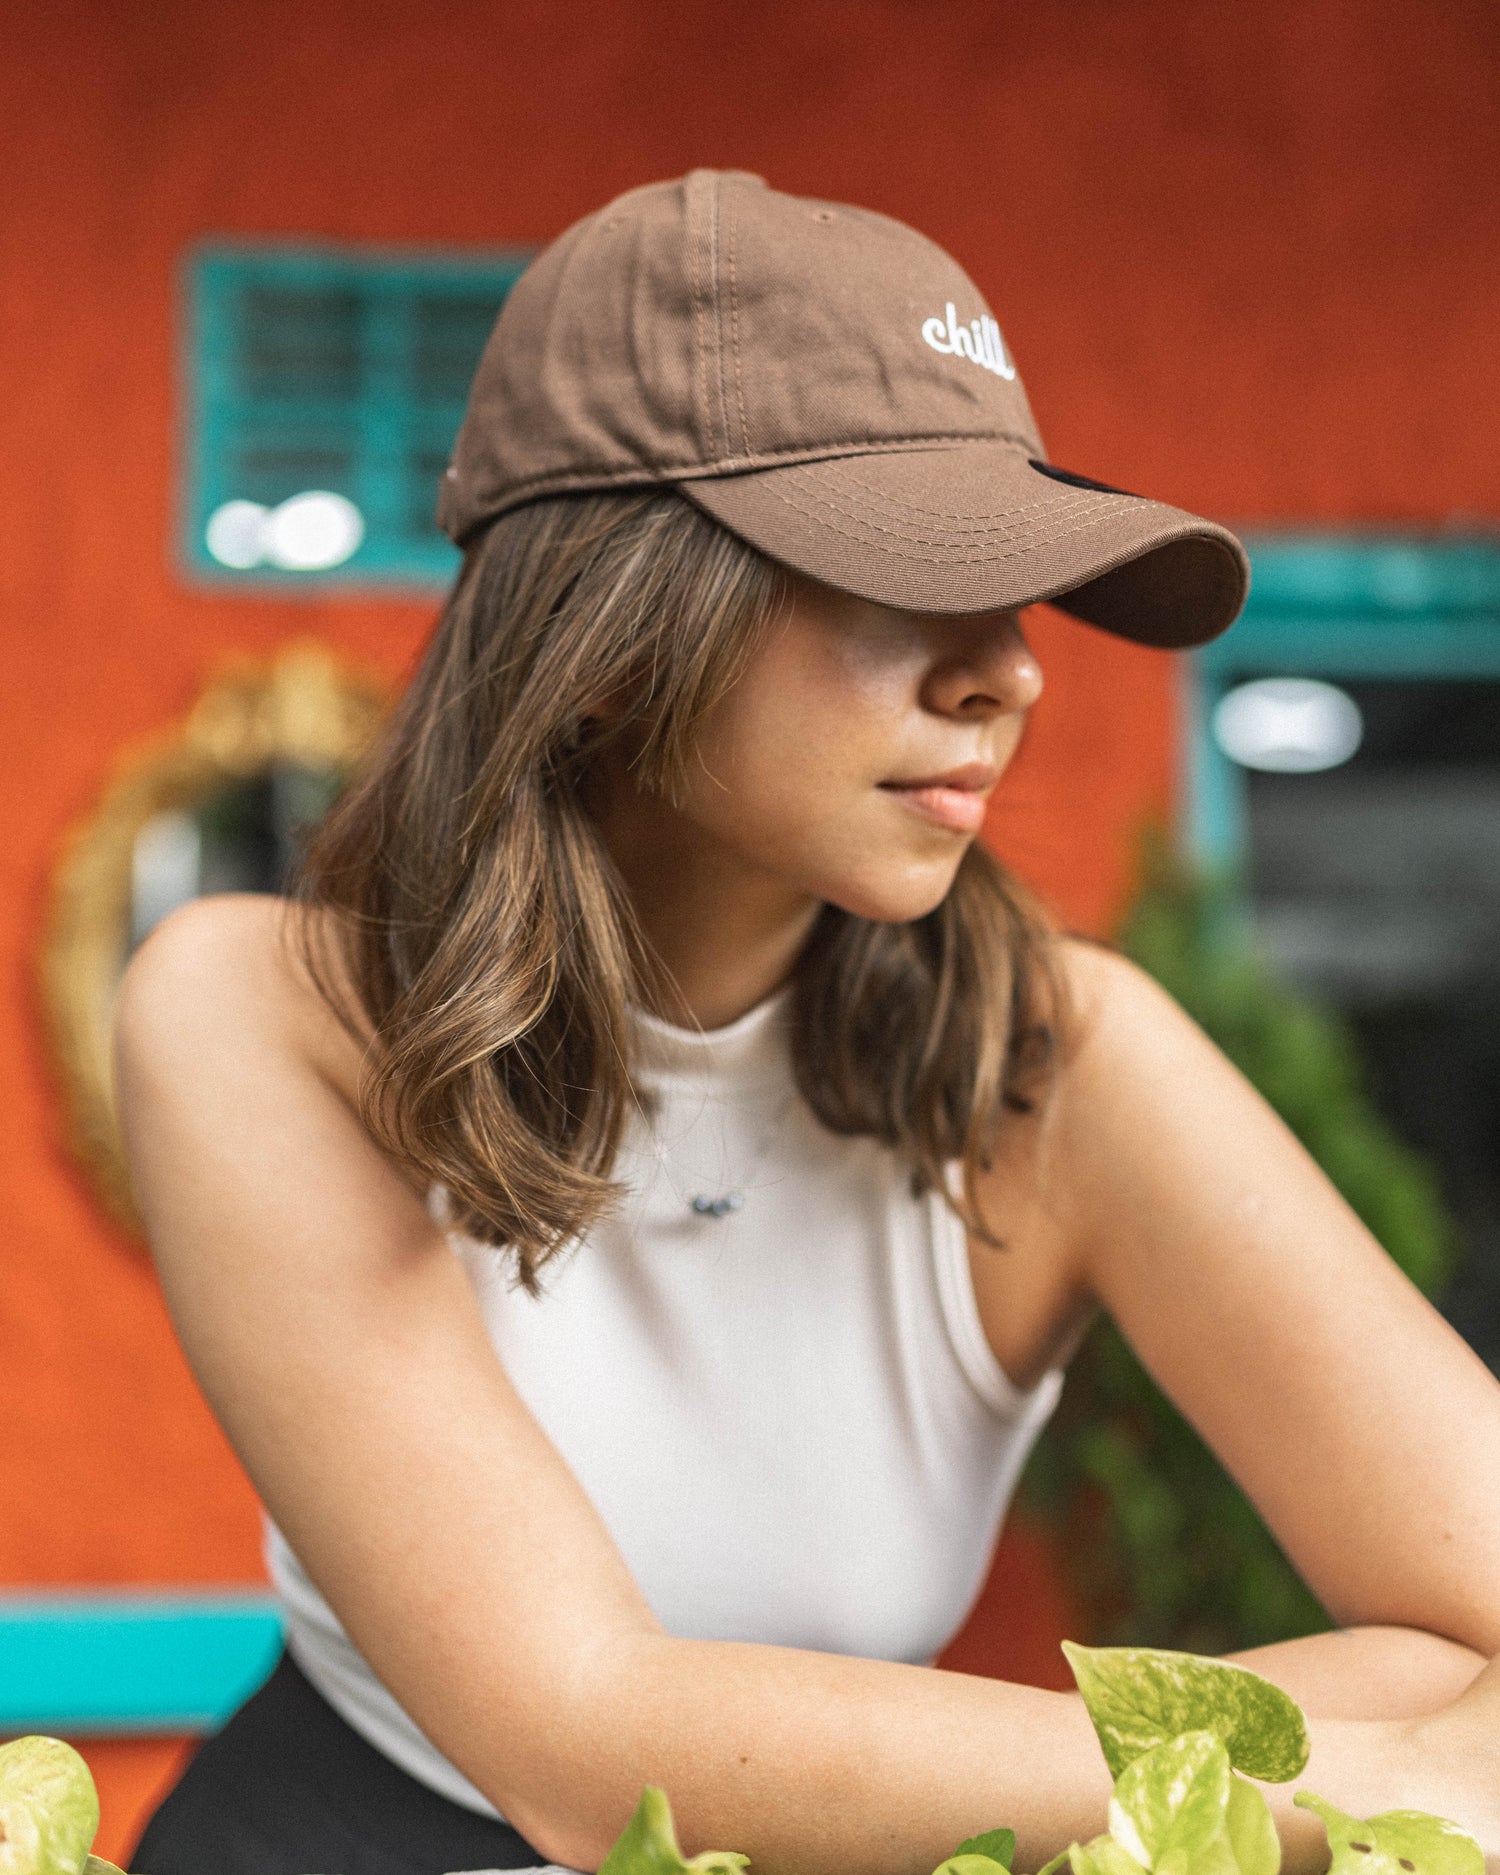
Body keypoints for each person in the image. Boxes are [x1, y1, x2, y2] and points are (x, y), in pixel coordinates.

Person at [117, 172, 1500, 1875]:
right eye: (905, 573)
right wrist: (1381, 1780)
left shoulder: (1067, 1058)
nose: (1014, 670)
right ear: (610, 638)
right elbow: (582, 1746)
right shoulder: (258, 1006)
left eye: (1020, 583)